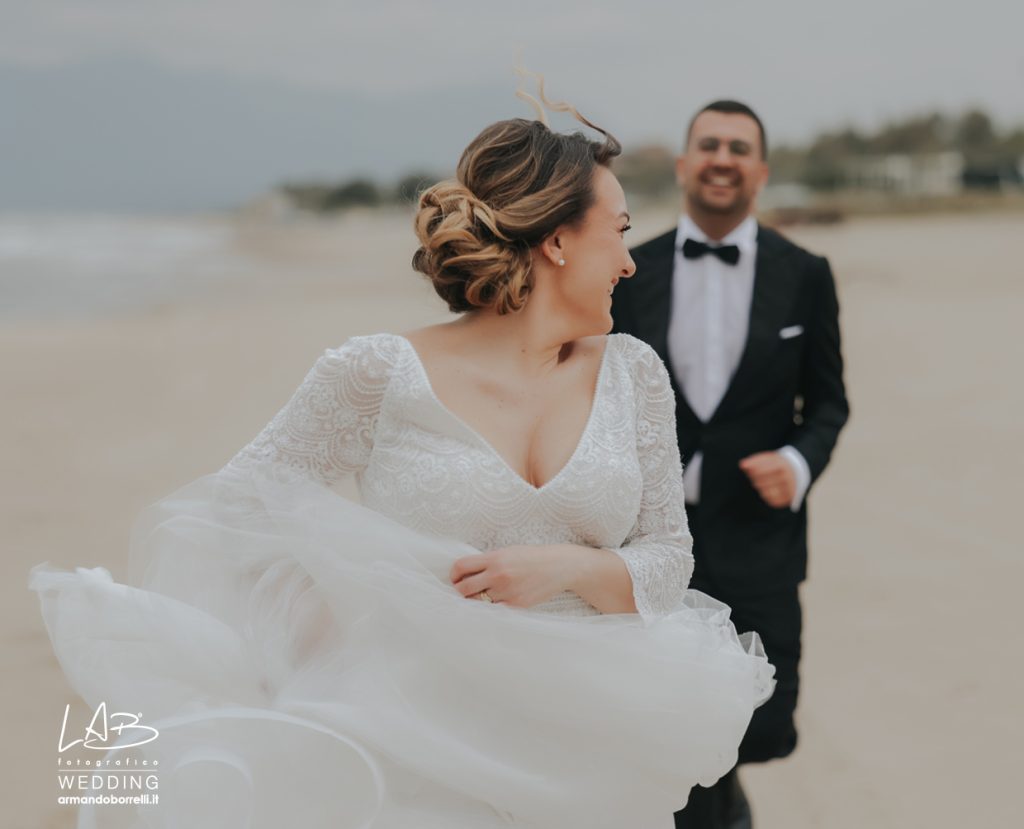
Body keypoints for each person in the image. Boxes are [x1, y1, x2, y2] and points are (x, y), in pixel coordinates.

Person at [30, 89, 775, 829]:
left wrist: (567, 568)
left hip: (594, 748)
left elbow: (670, 558)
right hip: (422, 743)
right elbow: (236, 509)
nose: (629, 261)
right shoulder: (378, 372)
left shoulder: (633, 371)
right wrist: (344, 608)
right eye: (618, 231)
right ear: (556, 242)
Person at [612, 100, 849, 829]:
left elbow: (831, 404)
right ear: (684, 164)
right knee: (662, 721)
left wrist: (797, 462)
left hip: (760, 544)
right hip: (649, 547)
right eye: (709, 144)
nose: (723, 157)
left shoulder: (806, 274)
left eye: (739, 147)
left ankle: (722, 801)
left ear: (761, 170)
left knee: (763, 723)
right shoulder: (628, 270)